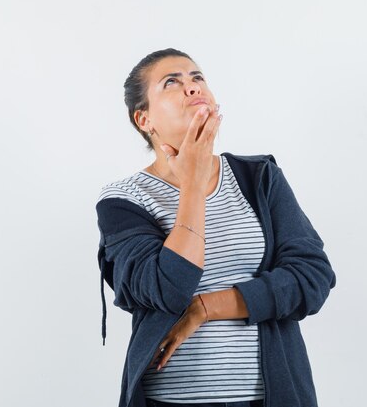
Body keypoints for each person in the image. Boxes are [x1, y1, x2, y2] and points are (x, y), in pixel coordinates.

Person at [95, 48, 336, 407]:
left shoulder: (259, 179)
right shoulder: (123, 200)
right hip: (171, 400)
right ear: (144, 119)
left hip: (271, 397)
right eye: (171, 82)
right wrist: (192, 185)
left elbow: (312, 277)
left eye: (197, 78)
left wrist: (207, 307)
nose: (192, 87)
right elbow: (168, 289)